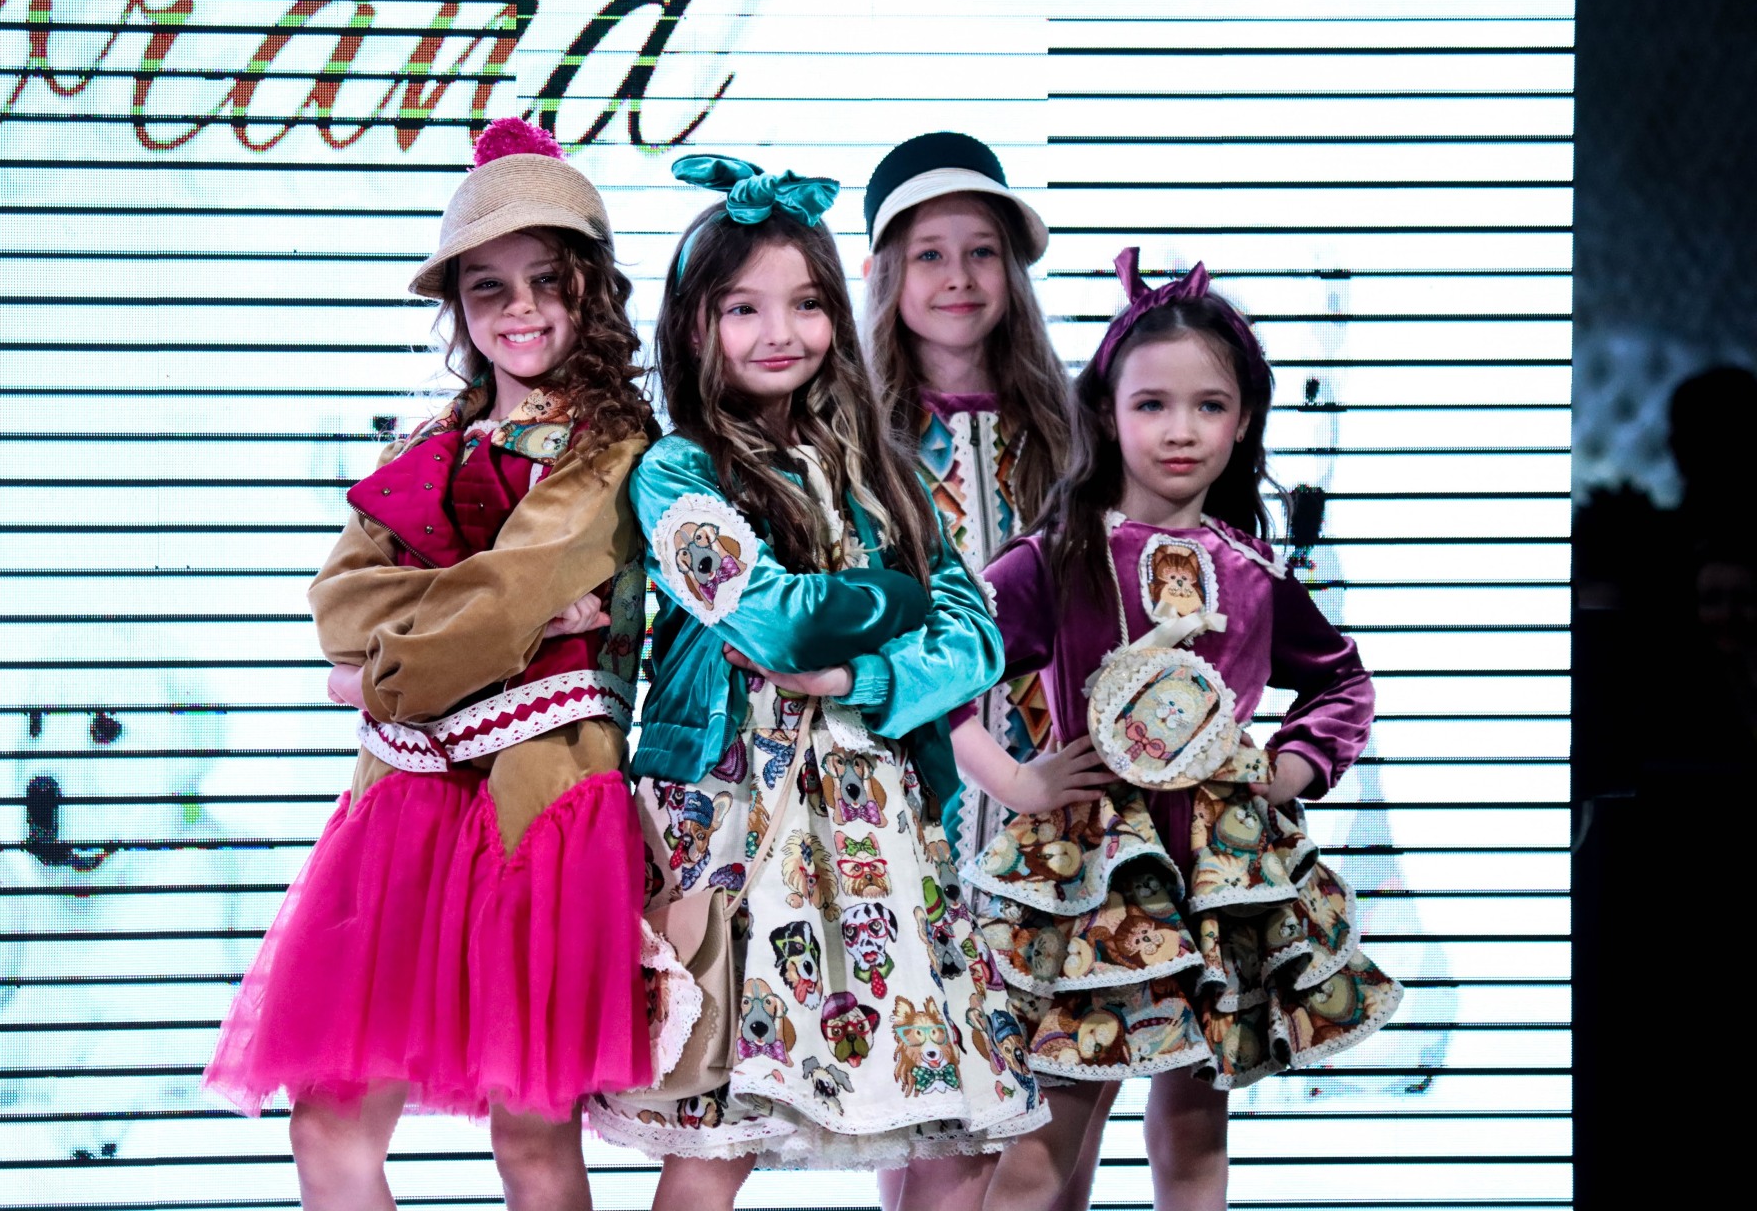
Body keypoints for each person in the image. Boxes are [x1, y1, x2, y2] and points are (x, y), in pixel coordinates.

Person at [202, 119, 660, 1211]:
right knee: (327, 1122)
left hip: (541, 804)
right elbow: (339, 604)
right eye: (487, 286)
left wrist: (386, 671)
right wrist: (509, 623)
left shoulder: (612, 446)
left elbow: (504, 595)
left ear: (591, 288)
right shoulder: (424, 446)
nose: (519, 309)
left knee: (531, 1140)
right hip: (401, 809)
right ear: (456, 304)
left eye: (546, 280)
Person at [590, 155, 1047, 1209]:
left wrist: (862, 672)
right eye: (742, 307)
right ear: (694, 325)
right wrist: (897, 594)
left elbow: (977, 638)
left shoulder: (881, 469)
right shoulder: (677, 470)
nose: (779, 331)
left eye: (804, 303)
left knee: (954, 1125)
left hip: (878, 821)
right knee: (717, 1127)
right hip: (737, 820)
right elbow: (769, 616)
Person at [954, 249, 1402, 1211]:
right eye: (1152, 404)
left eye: (1210, 405)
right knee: (1051, 1124)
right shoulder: (1054, 559)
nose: (1181, 429)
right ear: (1105, 414)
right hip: (1094, 877)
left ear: (1244, 421)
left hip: (1223, 876)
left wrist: (1290, 768)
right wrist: (1017, 781)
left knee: (1198, 1120)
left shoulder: (1254, 571)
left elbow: (1342, 682)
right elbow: (939, 671)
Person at [861, 133, 1083, 1211]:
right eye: (930, 254)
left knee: (1050, 1103)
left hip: (1054, 810)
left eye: (982, 251)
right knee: (930, 1100)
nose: (958, 277)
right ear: (885, 275)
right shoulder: (861, 440)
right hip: (915, 802)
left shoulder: (1071, 431)